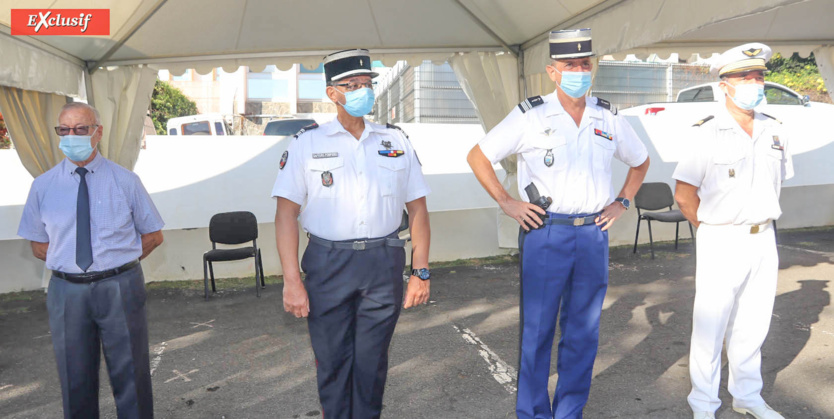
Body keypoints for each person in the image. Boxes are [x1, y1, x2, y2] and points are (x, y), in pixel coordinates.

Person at [467, 28, 650, 419]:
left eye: (585, 64)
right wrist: (507, 202)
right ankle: (533, 413)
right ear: (552, 72)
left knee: (583, 333)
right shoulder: (531, 116)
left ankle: (570, 412)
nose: (579, 71)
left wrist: (622, 202)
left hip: (592, 233)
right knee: (537, 332)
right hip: (546, 232)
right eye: (571, 65)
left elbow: (640, 161)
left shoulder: (608, 117)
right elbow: (478, 157)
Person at [271, 48, 432, 419]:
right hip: (329, 265)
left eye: (367, 84)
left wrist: (420, 270)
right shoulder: (306, 144)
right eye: (352, 85)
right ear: (333, 94)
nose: (363, 91)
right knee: (332, 363)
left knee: (372, 366)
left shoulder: (395, 141)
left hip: (383, 262)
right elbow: (285, 215)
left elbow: (418, 208)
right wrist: (292, 281)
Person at [17, 102, 164, 419]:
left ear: (98, 132)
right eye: (64, 130)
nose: (72, 136)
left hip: (119, 287)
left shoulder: (126, 181)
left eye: (81, 129)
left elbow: (153, 235)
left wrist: (116, 263)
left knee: (131, 372)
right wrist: (72, 265)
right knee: (75, 375)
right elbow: (39, 245)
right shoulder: (42, 186)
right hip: (67, 292)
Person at [674, 43, 792, 419]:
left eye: (759, 77)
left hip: (764, 237)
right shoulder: (706, 132)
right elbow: (683, 194)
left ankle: (747, 396)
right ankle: (704, 403)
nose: (755, 84)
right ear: (725, 84)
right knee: (711, 324)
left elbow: (777, 185)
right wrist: (710, 227)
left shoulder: (775, 129)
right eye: (746, 78)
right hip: (721, 237)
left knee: (753, 323)